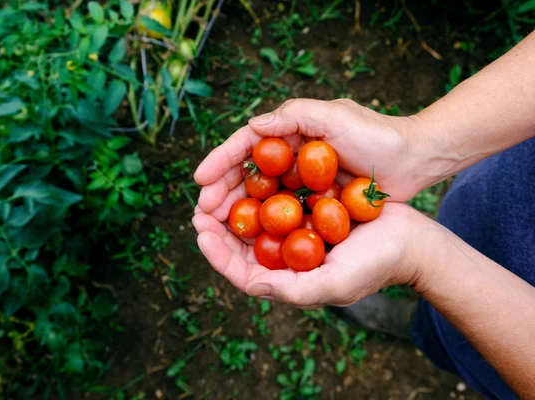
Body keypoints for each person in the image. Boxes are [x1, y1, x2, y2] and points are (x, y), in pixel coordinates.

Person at [192, 30, 535, 399]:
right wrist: (418, 145)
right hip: (511, 185)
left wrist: (426, 259)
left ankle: (431, 330)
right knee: (470, 220)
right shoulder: (316, 199)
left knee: (470, 346)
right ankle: (426, 321)